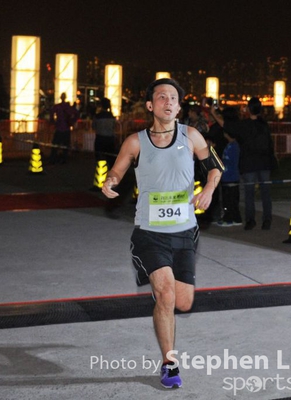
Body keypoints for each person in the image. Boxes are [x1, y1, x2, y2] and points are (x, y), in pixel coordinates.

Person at [102, 78, 223, 389]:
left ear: (179, 107)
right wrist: (110, 181)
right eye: (161, 97)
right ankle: (169, 364)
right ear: (150, 105)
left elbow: (215, 166)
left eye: (173, 98)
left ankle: (163, 295)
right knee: (167, 294)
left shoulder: (191, 136)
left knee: (182, 301)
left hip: (184, 231)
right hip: (150, 231)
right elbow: (117, 169)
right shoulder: (136, 142)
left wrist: (208, 189)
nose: (168, 102)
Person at [209, 97, 274, 230]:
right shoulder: (264, 125)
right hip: (264, 163)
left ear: (249, 109)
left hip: (249, 164)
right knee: (265, 193)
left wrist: (214, 113)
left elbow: (226, 125)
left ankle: (250, 220)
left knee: (249, 193)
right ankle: (267, 220)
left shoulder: (245, 125)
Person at [216, 129, 242, 226]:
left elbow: (230, 161)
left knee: (229, 199)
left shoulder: (233, 146)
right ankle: (235, 218)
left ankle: (229, 219)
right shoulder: (231, 145)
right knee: (231, 198)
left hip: (230, 176)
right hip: (229, 175)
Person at [49, 92, 76, 164]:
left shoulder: (57, 106)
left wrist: (53, 122)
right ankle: (64, 158)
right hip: (66, 128)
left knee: (55, 144)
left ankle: (53, 158)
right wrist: (72, 122)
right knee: (66, 145)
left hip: (59, 128)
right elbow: (75, 114)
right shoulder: (68, 107)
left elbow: (51, 113)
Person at [92, 97, 117, 168]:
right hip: (110, 140)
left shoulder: (97, 116)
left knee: (100, 161)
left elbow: (93, 127)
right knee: (111, 161)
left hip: (100, 139)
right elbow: (114, 127)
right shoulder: (112, 116)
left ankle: (101, 174)